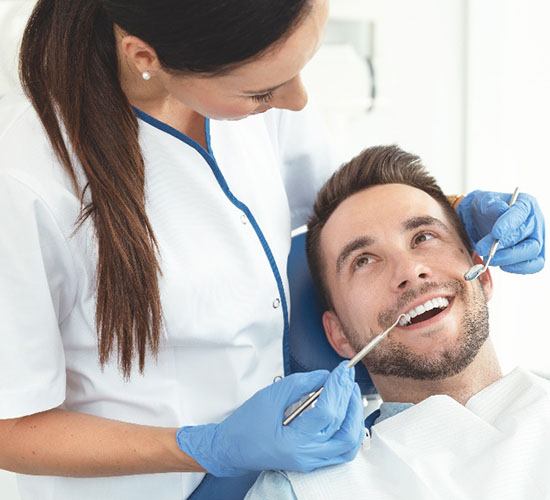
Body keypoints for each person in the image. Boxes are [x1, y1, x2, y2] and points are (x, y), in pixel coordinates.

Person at [0, 1, 544, 498]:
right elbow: (10, 427)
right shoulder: (25, 186)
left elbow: (351, 209)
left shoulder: (259, 75)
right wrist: (209, 445)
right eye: (262, 92)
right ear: (146, 56)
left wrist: (454, 210)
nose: (297, 100)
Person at [245, 144, 548, 499]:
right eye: (364, 260)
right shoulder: (303, 490)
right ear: (339, 333)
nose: (409, 271)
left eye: (423, 237)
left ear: (482, 274)